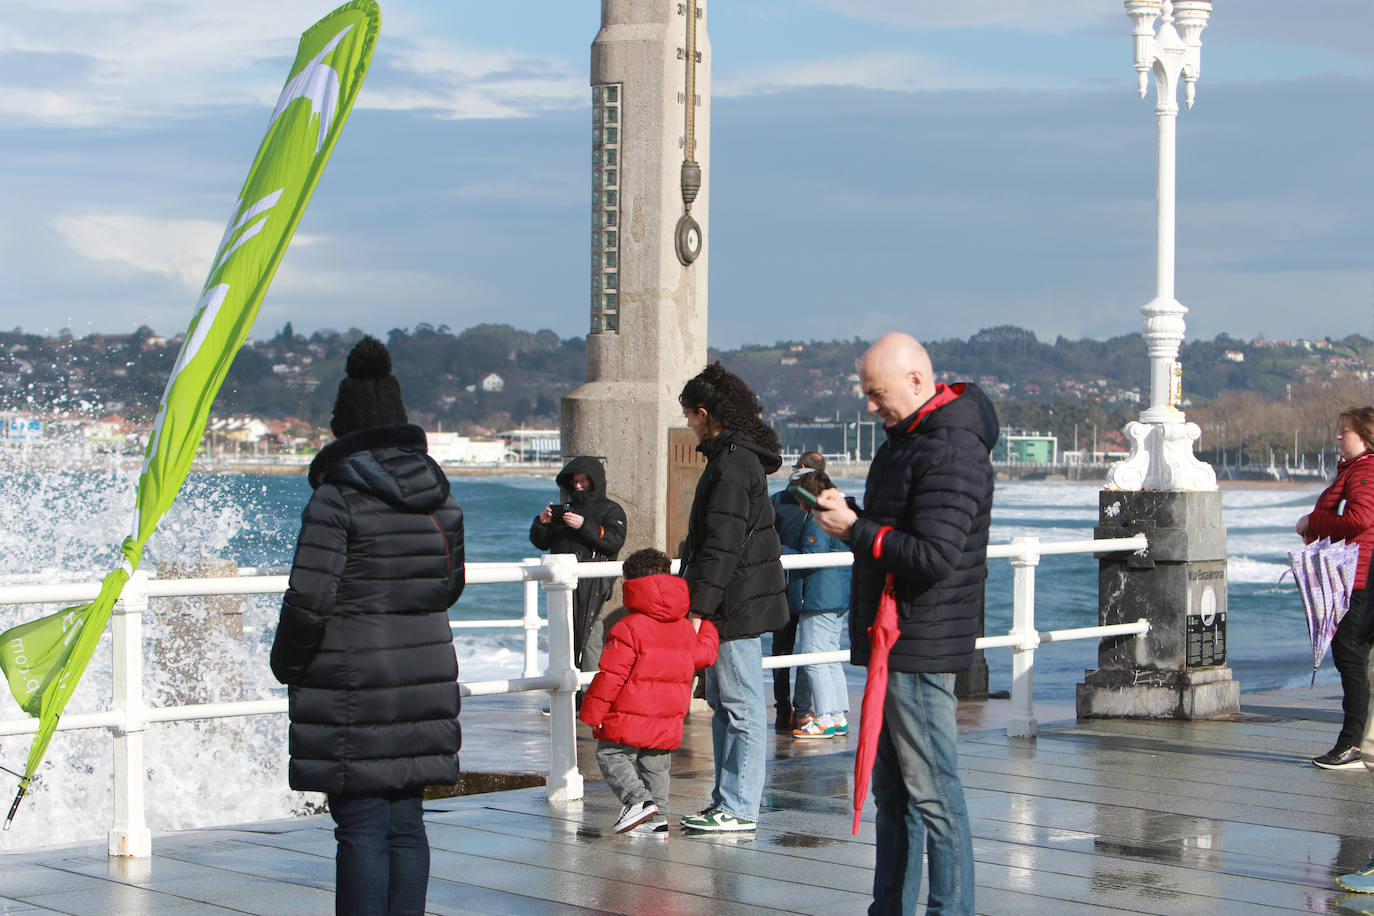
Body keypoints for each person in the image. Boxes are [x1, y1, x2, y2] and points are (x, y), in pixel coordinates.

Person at [270, 336, 464, 916]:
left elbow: (310, 597)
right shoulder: (440, 498)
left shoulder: (337, 498)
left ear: (344, 428)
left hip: (353, 678)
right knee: (406, 820)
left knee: (359, 824)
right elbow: (449, 586)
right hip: (423, 672)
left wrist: (287, 662)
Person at [815, 332, 998, 915]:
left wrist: (855, 530)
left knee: (933, 796)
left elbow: (932, 556)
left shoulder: (951, 450)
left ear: (917, 383)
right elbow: (901, 534)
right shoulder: (908, 441)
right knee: (895, 796)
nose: (870, 407)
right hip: (892, 641)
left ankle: (951, 909)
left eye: (877, 394)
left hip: (918, 645)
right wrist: (852, 519)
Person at [677, 362, 789, 833]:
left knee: (739, 706)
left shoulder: (731, 463)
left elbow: (722, 543)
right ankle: (727, 799)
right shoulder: (735, 458)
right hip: (737, 600)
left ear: (705, 413)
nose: (687, 424)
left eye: (688, 415)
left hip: (734, 606)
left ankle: (740, 805)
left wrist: (700, 609)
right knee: (726, 703)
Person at [579, 548, 719, 837]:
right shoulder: (683, 628)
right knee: (656, 768)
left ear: (631, 587)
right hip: (668, 715)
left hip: (630, 713)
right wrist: (707, 625)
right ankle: (660, 820)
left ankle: (637, 800)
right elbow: (704, 654)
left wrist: (592, 712)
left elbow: (611, 677)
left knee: (611, 755)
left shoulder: (627, 628)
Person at [1297, 407, 1374, 771]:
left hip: (1359, 575)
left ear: (1366, 436)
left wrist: (1312, 522)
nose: (1339, 437)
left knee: (1350, 654)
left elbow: (1360, 519)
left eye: (1346, 431)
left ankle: (1352, 746)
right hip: (1358, 572)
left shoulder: (1366, 470)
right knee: (1357, 657)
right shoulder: (1356, 470)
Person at [530, 457, 627, 674]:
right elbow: (541, 543)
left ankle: (591, 694)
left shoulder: (611, 510)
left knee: (590, 640)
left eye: (584, 480)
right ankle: (565, 694)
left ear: (596, 481)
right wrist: (542, 523)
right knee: (562, 640)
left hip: (593, 585)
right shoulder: (565, 510)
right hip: (562, 584)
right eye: (575, 481)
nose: (578, 485)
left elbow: (613, 541)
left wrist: (583, 525)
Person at [787, 469, 852, 739]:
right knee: (830, 656)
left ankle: (824, 718)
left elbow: (813, 555)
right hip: (837, 595)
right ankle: (837, 715)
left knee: (814, 657)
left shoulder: (816, 521)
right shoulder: (840, 509)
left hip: (819, 595)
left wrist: (781, 550)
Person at [769, 451, 825, 732]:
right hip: (811, 584)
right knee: (808, 650)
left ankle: (783, 711)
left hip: (781, 583)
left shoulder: (777, 500)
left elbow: (764, 534)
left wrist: (778, 551)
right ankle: (802, 711)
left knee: (782, 650)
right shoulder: (822, 504)